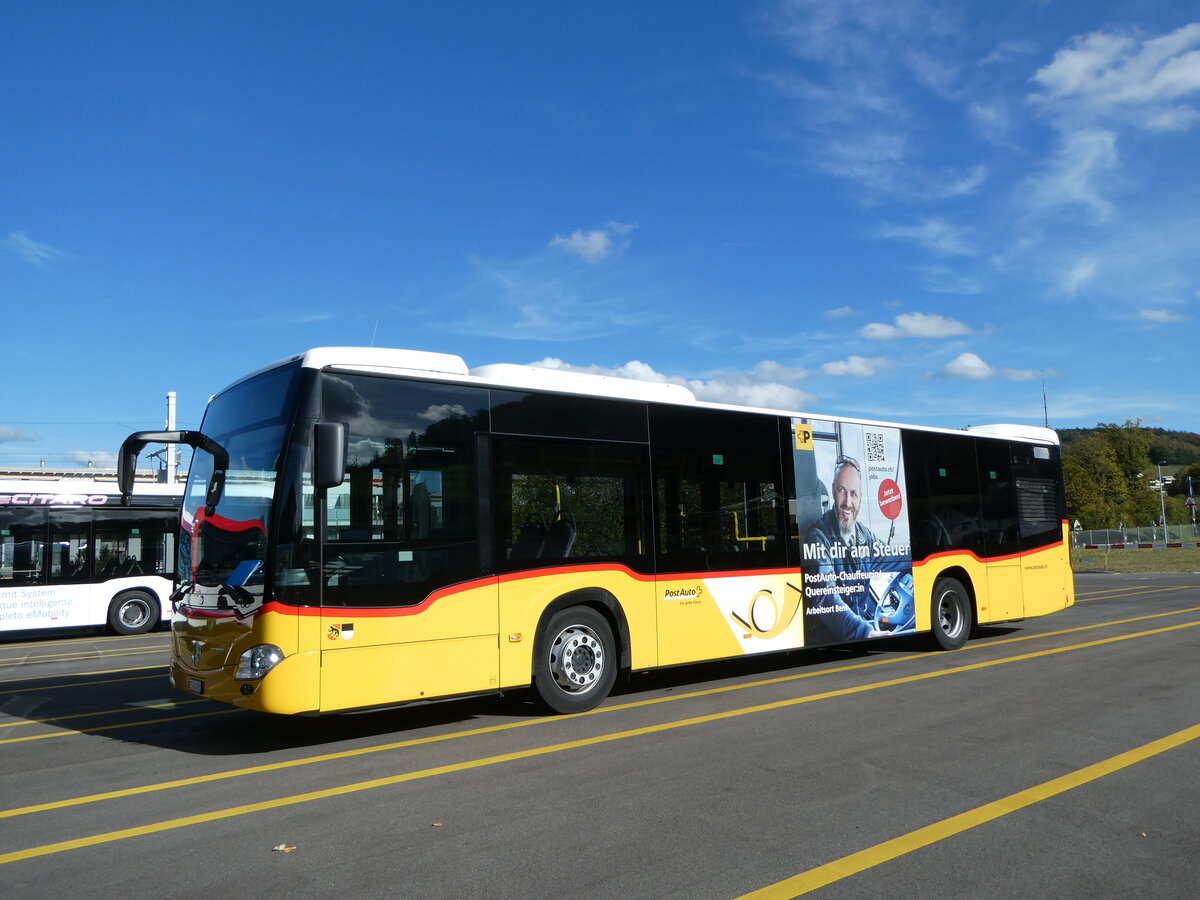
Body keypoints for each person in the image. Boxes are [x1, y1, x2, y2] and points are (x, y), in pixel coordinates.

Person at [802, 455, 887, 643]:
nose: (847, 502)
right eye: (842, 490)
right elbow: (826, 596)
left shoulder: (865, 535)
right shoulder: (818, 536)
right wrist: (864, 632)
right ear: (833, 490)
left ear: (861, 499)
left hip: (860, 629)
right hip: (829, 638)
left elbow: (892, 558)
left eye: (854, 493)